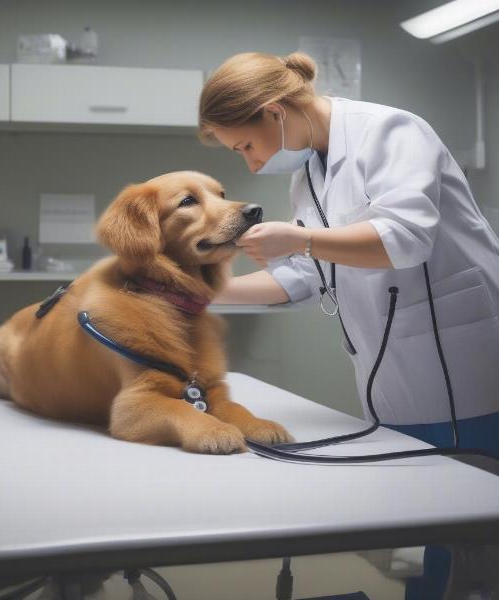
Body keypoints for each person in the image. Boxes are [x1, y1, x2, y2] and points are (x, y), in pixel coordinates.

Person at [199, 50, 499, 600]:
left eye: (245, 145)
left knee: (470, 533)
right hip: (393, 371)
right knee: (428, 526)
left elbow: (405, 238)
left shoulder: (391, 132)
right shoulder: (309, 175)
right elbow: (307, 277)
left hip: (464, 364)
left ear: (274, 112)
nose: (250, 164)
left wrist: (300, 238)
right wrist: (202, 293)